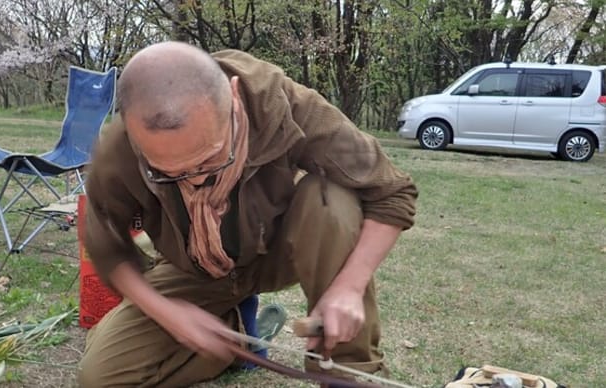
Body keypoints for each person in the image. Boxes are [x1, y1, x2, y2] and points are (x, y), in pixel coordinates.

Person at [77, 41, 418, 387]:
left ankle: (349, 373)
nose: (197, 181)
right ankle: (231, 334)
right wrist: (170, 315)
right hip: (193, 269)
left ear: (234, 97)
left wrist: (348, 286)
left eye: (210, 160)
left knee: (330, 196)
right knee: (99, 378)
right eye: (170, 173)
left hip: (278, 250)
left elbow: (392, 193)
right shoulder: (121, 146)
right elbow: (106, 247)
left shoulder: (287, 106)